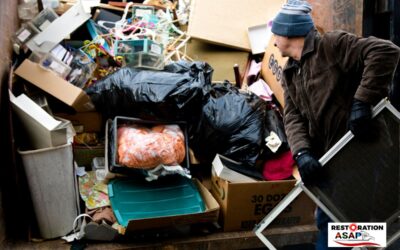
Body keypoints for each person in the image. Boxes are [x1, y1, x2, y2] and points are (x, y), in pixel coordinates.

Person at [270, 0, 400, 249]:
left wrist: (362, 101)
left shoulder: (331, 45)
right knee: (329, 224)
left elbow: (385, 51)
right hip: (328, 160)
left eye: (275, 32)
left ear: (288, 32)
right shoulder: (290, 72)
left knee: (348, 228)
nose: (273, 39)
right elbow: (293, 116)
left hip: (358, 152)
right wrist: (302, 152)